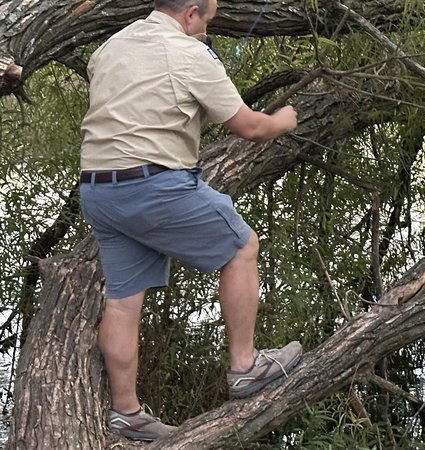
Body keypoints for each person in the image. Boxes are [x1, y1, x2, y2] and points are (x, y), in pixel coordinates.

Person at [79, 0, 302, 441]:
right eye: (207, 20)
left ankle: (125, 411)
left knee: (123, 301)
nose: (205, 28)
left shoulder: (109, 47)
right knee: (242, 248)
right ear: (191, 13)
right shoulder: (188, 54)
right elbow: (250, 127)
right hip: (152, 187)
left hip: (98, 190)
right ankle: (245, 367)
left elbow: (133, 99)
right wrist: (283, 121)